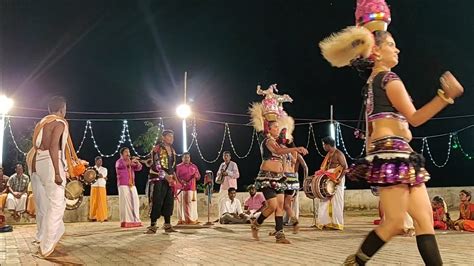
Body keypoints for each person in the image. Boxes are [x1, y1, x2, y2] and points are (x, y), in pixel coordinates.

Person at [319, 1, 464, 264]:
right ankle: (357, 261)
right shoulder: (388, 79)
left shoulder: (370, 85)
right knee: (396, 222)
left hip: (395, 154)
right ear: (375, 52)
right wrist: (445, 97)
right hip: (393, 154)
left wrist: (371, 157)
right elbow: (416, 118)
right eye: (391, 44)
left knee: (424, 222)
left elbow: (370, 129)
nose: (396, 48)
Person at [26, 96, 86, 257]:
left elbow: (37, 146)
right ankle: (47, 245)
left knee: (45, 204)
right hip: (51, 163)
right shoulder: (59, 122)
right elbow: (53, 146)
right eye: (65, 109)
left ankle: (45, 236)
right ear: (62, 109)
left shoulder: (42, 122)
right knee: (58, 203)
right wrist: (58, 173)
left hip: (37, 162)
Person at [249, 86, 308, 243]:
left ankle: (279, 234)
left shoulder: (280, 142)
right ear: (270, 128)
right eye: (275, 126)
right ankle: (256, 224)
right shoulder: (268, 141)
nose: (277, 128)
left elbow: (286, 154)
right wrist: (297, 148)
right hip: (267, 177)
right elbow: (278, 151)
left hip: (280, 177)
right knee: (272, 206)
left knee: (280, 205)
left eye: (278, 126)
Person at [145, 130, 178, 234]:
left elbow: (172, 166)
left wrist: (174, 178)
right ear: (163, 137)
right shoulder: (157, 149)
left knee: (168, 201)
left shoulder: (173, 150)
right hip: (157, 179)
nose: (172, 138)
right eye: (169, 136)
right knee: (157, 201)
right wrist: (165, 175)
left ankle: (167, 225)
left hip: (168, 180)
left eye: (172, 136)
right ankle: (152, 226)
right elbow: (156, 165)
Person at [316, 137, 348, 230]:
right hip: (328, 180)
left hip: (337, 179)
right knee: (325, 199)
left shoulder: (338, 153)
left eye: (323, 145)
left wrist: (338, 179)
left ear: (328, 145)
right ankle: (326, 222)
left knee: (337, 201)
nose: (323, 147)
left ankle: (336, 223)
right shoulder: (329, 154)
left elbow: (345, 167)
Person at [116, 147, 143, 228]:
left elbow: (139, 168)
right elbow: (122, 165)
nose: (128, 153)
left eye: (129, 152)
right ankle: (127, 221)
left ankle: (136, 220)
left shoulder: (130, 162)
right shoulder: (119, 161)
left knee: (135, 201)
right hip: (123, 184)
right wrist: (131, 161)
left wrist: (137, 163)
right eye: (126, 152)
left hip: (132, 184)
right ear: (121, 154)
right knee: (126, 203)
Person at [175, 152, 201, 225]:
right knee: (181, 205)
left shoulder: (194, 166)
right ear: (182, 158)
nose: (187, 159)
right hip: (181, 188)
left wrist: (196, 175)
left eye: (188, 157)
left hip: (191, 188)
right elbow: (176, 177)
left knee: (191, 204)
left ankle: (192, 219)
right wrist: (181, 182)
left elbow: (198, 177)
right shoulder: (178, 167)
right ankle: (182, 219)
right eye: (185, 157)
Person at [216, 151, 240, 219]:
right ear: (223, 157)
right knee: (221, 201)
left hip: (231, 187)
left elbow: (237, 175)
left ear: (230, 157)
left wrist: (228, 173)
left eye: (227, 155)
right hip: (223, 186)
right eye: (224, 156)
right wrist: (220, 174)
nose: (226, 157)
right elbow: (218, 174)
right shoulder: (222, 164)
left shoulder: (233, 164)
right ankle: (221, 217)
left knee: (231, 203)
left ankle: (231, 217)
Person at [89, 156, 108, 222]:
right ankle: (93, 217)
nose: (100, 162)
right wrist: (98, 176)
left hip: (102, 186)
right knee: (94, 202)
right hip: (94, 186)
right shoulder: (92, 169)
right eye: (99, 161)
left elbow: (102, 176)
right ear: (96, 161)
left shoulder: (104, 169)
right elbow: (90, 177)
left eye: (101, 161)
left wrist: (97, 176)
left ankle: (103, 216)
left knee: (102, 202)